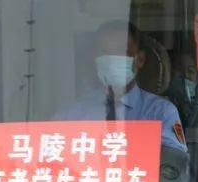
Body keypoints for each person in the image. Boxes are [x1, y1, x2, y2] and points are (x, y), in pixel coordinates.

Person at [59, 21, 187, 154]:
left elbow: (173, 167)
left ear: (140, 59)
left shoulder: (160, 112)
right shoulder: (73, 113)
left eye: (121, 51)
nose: (111, 59)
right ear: (95, 59)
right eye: (104, 52)